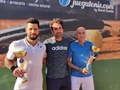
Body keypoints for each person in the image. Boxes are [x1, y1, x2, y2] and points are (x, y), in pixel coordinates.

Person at [4, 18, 46, 90]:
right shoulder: (16, 44)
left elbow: (43, 60)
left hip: (38, 87)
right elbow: (7, 60)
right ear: (26, 30)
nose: (33, 31)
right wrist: (13, 68)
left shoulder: (43, 46)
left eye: (35, 29)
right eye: (30, 29)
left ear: (38, 31)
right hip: (21, 86)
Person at [44, 18, 71, 90]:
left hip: (66, 77)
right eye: (55, 29)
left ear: (63, 29)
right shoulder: (47, 43)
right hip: (52, 79)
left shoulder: (67, 42)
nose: (58, 31)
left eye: (60, 28)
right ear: (52, 31)